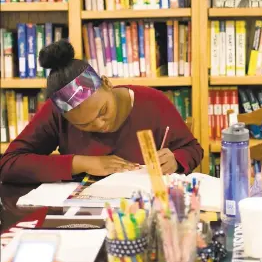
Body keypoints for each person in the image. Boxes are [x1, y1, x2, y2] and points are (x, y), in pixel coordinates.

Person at [0, 40, 203, 183]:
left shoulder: (153, 102)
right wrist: (81, 163)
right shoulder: (57, 111)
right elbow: (9, 164)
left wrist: (176, 160)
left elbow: (192, 149)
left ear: (107, 83)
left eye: (102, 111)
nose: (99, 125)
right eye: (83, 125)